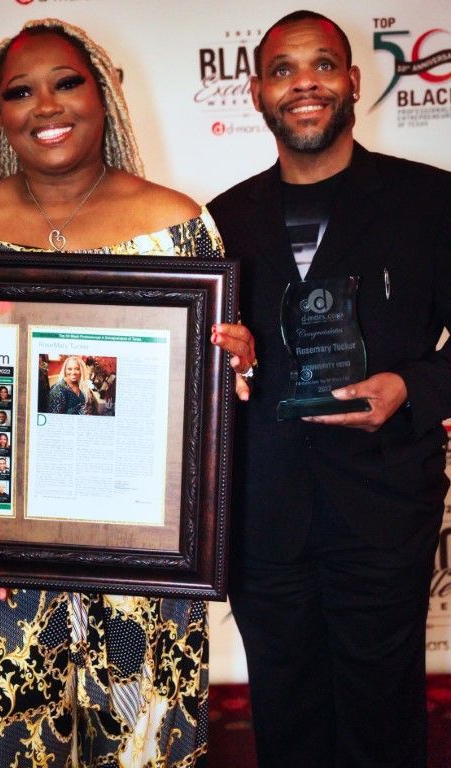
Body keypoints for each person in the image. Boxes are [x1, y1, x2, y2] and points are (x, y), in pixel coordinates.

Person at [0, 17, 254, 768]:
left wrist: (238, 366)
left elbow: (213, 403)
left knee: (146, 749)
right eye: (20, 91)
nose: (46, 105)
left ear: (102, 95)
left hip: (150, 569)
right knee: (22, 747)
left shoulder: (180, 227)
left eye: (66, 82)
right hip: (14, 570)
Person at [207, 10, 451, 768]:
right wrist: (228, 362)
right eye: (282, 69)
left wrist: (412, 386)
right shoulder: (219, 220)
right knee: (286, 720)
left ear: (351, 81)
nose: (303, 82)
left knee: (383, 721)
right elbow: (202, 371)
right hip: (261, 520)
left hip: (383, 510)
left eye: (321, 65)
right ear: (256, 93)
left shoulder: (432, 203)